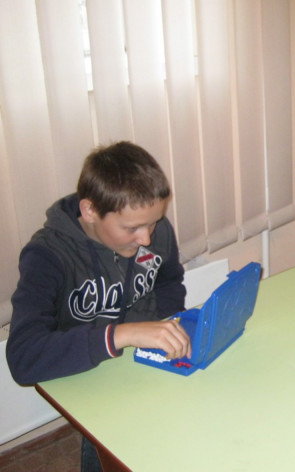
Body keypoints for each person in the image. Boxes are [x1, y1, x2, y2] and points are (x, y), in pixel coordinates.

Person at [7, 141, 192, 471]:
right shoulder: (47, 256)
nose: (147, 238)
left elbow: (170, 284)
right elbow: (23, 358)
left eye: (153, 222)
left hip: (140, 367)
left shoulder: (155, 228)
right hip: (90, 376)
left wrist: (146, 327)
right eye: (132, 228)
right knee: (111, 451)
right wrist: (123, 334)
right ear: (90, 211)